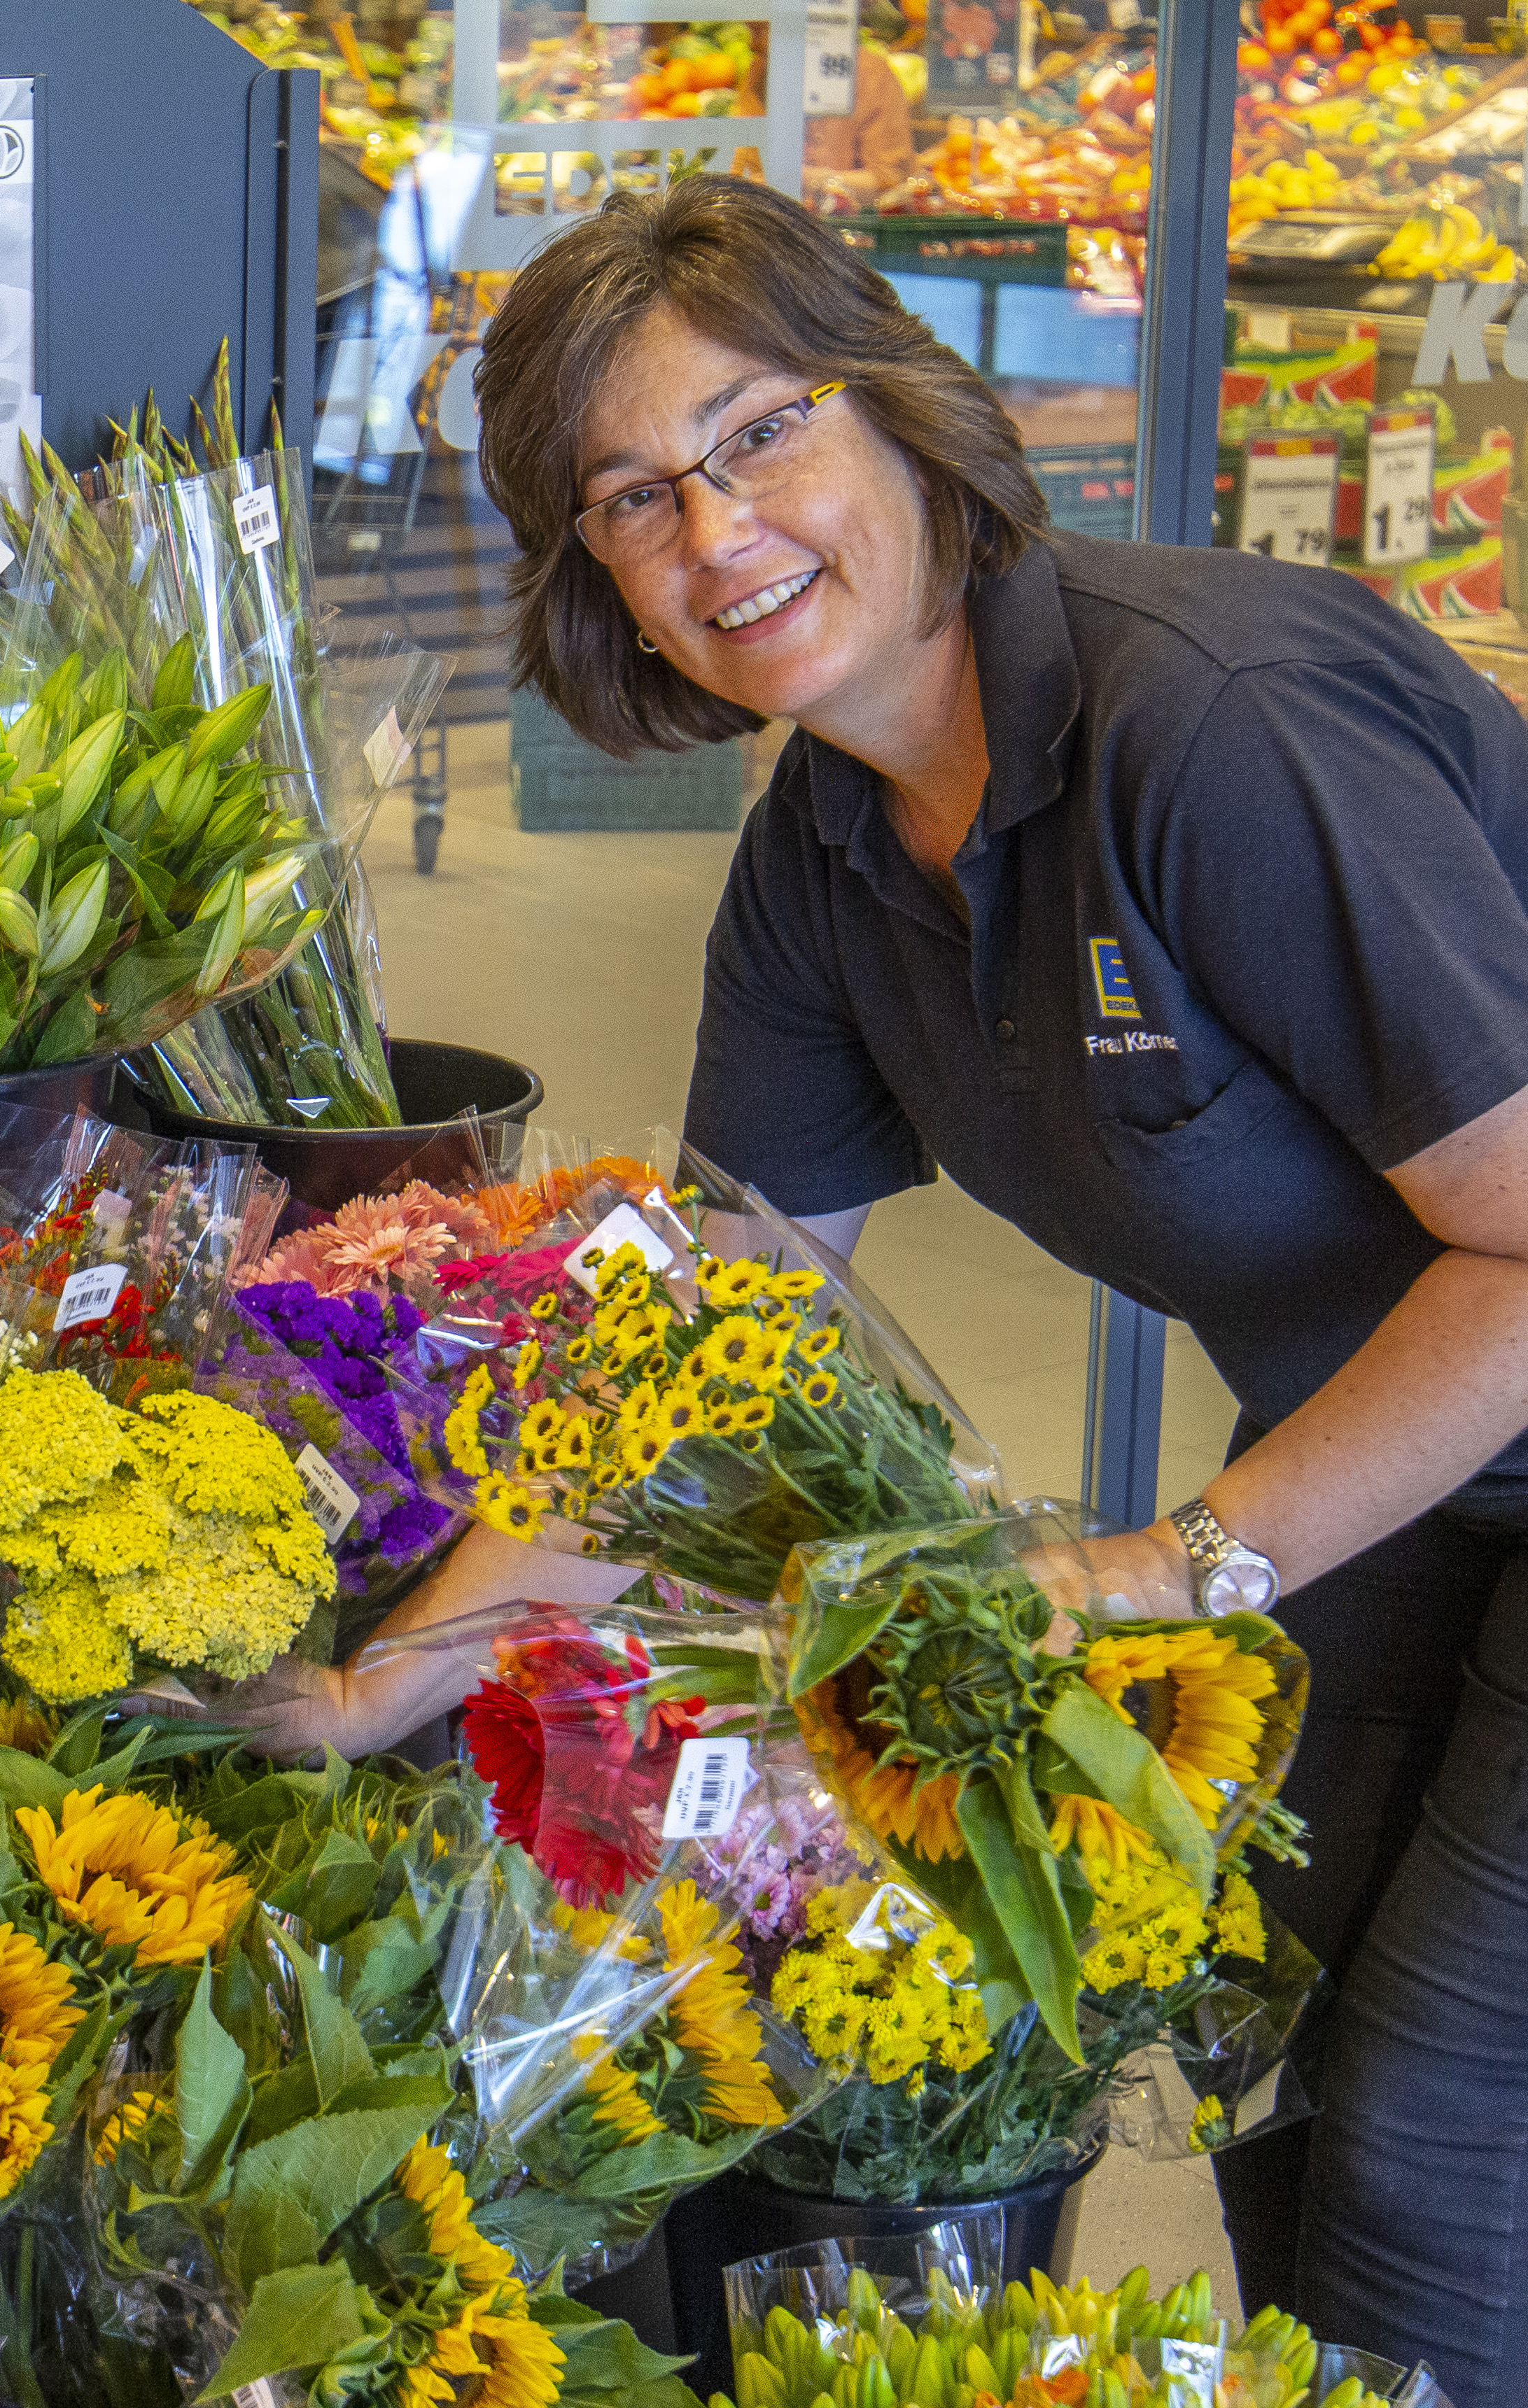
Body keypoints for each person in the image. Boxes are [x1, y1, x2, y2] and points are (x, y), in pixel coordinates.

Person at [249, 173, 1528, 2400]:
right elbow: (702, 1352)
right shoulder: (827, 853)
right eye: (632, 496)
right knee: (1272, 2030)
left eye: (758, 432)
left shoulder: (1208, 734)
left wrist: (1164, 1565)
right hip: (1415, 1439)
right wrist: (392, 1676)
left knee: (1441, 2117)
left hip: (1468, 1362)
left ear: (905, 410)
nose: (714, 529)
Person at [804, 44, 916, 213]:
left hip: (845, 222)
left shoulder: (871, 72)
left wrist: (800, 178)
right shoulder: (767, 65)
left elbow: (888, 180)